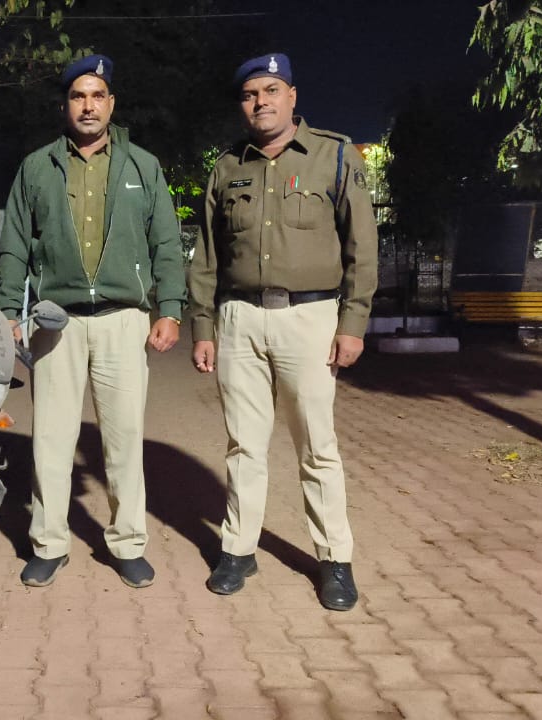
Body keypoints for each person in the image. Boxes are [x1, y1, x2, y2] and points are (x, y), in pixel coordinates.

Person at [187, 53, 378, 611]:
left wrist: (353, 323)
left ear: (292, 96)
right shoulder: (228, 166)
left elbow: (361, 247)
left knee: (317, 446)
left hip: (310, 320)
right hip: (239, 320)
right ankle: (238, 549)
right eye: (250, 95)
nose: (260, 102)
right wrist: (203, 324)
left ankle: (335, 560)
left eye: (271, 90)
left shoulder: (334, 156)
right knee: (244, 445)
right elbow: (207, 254)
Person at [0, 54, 186, 589]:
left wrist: (171, 309)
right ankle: (49, 543)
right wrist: (8, 310)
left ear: (111, 104)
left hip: (124, 320)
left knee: (123, 440)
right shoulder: (37, 168)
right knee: (51, 441)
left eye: (97, 95)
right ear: (65, 105)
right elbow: (15, 245)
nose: (88, 105)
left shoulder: (142, 166)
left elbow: (166, 243)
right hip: (56, 322)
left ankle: (127, 543)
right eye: (78, 96)